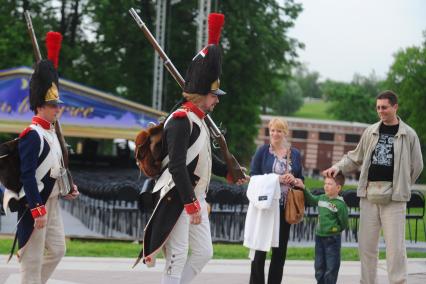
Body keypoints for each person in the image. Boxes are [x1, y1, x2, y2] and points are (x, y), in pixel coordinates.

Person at [139, 14, 246, 284]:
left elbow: (201, 160)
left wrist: (231, 172)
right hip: (178, 196)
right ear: (201, 94)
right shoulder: (180, 121)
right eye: (213, 96)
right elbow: (177, 166)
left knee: (203, 252)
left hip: (194, 196)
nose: (216, 101)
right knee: (175, 257)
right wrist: (190, 203)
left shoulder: (198, 120)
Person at [323, 90, 423, 284]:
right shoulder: (370, 131)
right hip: (369, 196)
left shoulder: (409, 134)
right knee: (367, 247)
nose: (380, 111)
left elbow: (417, 166)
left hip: (394, 200)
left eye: (384, 107)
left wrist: (402, 185)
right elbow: (355, 157)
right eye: (378, 107)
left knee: (395, 249)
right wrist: (337, 167)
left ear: (395, 107)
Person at [7, 58, 79, 284]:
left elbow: (55, 169)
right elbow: (27, 175)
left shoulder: (52, 133)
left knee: (58, 250)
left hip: (54, 201)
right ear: (40, 106)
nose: (58, 108)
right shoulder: (32, 134)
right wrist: (37, 209)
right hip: (35, 203)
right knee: (33, 261)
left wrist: (67, 188)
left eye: (58, 104)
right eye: (52, 105)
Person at [249, 117, 304, 284]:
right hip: (266, 207)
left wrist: (294, 180)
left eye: (279, 131)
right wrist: (276, 179)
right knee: (259, 252)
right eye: (272, 130)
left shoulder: (294, 154)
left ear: (285, 133)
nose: (275, 134)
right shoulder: (262, 151)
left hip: (284, 208)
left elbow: (301, 179)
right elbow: (253, 177)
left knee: (279, 253)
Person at [294, 173, 348, 284]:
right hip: (319, 237)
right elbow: (311, 199)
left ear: (338, 188)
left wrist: (335, 229)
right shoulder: (322, 198)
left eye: (329, 184)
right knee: (319, 265)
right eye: (325, 183)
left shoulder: (340, 204)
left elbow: (343, 223)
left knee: (331, 267)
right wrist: (303, 188)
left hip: (332, 239)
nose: (326, 186)